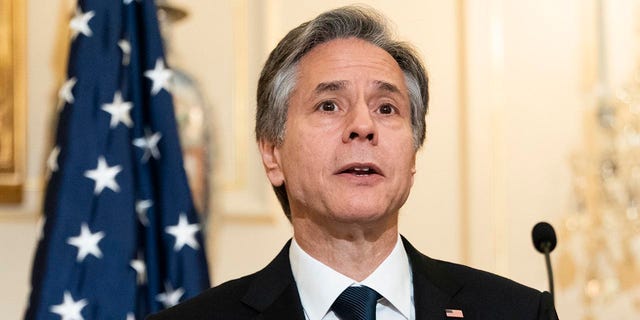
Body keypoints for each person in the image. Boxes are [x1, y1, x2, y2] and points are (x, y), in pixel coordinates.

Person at [148, 5, 558, 320]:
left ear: (413, 154)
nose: (363, 126)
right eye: (329, 105)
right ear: (272, 153)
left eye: (386, 108)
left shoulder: (518, 312)